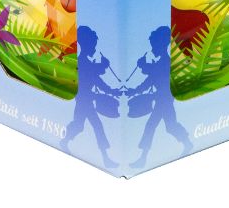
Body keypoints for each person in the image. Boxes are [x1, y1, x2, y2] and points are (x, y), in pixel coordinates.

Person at [127, 26, 193, 168]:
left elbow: (153, 74)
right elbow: (150, 80)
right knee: (168, 126)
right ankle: (187, 143)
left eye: (154, 45)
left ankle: (143, 158)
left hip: (164, 100)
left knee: (153, 126)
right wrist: (134, 90)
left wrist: (143, 65)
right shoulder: (161, 60)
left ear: (162, 45)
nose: (152, 49)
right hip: (161, 100)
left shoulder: (165, 60)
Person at [60, 26, 119, 168]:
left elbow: (97, 79)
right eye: (93, 44)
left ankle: (64, 141)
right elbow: (95, 75)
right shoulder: (83, 60)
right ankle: (105, 158)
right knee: (95, 126)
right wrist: (104, 65)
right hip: (84, 101)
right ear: (85, 44)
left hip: (86, 100)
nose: (94, 48)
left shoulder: (86, 59)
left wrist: (111, 90)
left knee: (81, 125)